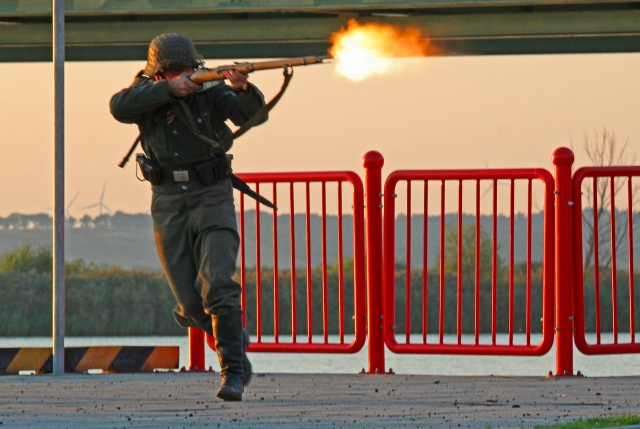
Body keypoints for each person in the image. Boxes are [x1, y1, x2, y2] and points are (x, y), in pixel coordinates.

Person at [110, 33, 268, 401]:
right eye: (174, 71)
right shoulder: (145, 92)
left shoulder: (210, 89)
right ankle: (236, 347)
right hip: (167, 200)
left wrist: (243, 89)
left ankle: (232, 373)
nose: (184, 76)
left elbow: (251, 116)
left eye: (187, 70)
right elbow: (119, 106)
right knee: (190, 302)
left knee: (218, 282)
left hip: (211, 194)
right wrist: (169, 90)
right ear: (158, 73)